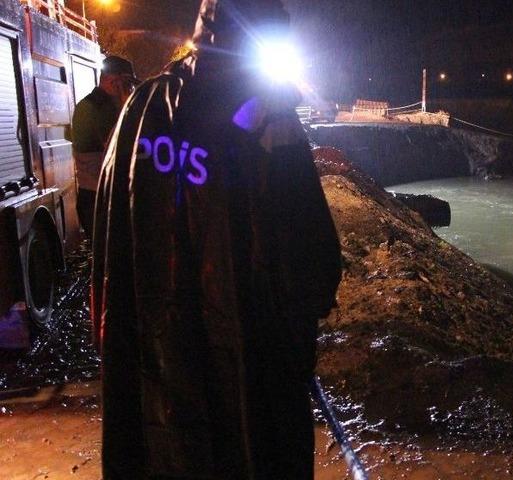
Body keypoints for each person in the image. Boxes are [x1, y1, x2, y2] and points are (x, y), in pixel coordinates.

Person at [90, 0, 342, 478]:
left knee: (165, 450)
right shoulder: (268, 116)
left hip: (159, 347)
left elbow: (109, 227)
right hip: (248, 346)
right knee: (250, 448)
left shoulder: (141, 106)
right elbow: (306, 248)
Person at [70, 55, 138, 238]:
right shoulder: (99, 108)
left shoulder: (90, 104)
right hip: (102, 198)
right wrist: (126, 105)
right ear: (114, 81)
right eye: (128, 82)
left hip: (96, 196)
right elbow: (118, 146)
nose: (131, 88)